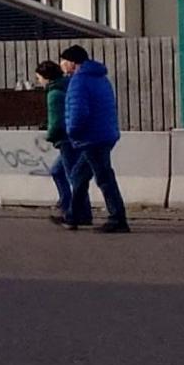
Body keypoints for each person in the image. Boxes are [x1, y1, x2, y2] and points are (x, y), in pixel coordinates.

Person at [60, 42, 128, 234]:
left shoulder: (79, 81)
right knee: (79, 175)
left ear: (73, 63)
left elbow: (78, 111)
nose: (62, 65)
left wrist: (72, 132)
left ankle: (117, 218)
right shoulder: (101, 78)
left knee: (104, 177)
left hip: (91, 137)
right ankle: (74, 215)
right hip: (105, 133)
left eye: (64, 61)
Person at [35, 59, 76, 224]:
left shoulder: (54, 94)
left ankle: (73, 211)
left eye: (39, 77)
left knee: (72, 176)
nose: (38, 81)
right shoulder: (67, 86)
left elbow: (57, 120)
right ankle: (66, 206)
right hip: (73, 136)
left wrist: (49, 135)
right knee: (59, 172)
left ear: (46, 77)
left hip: (65, 139)